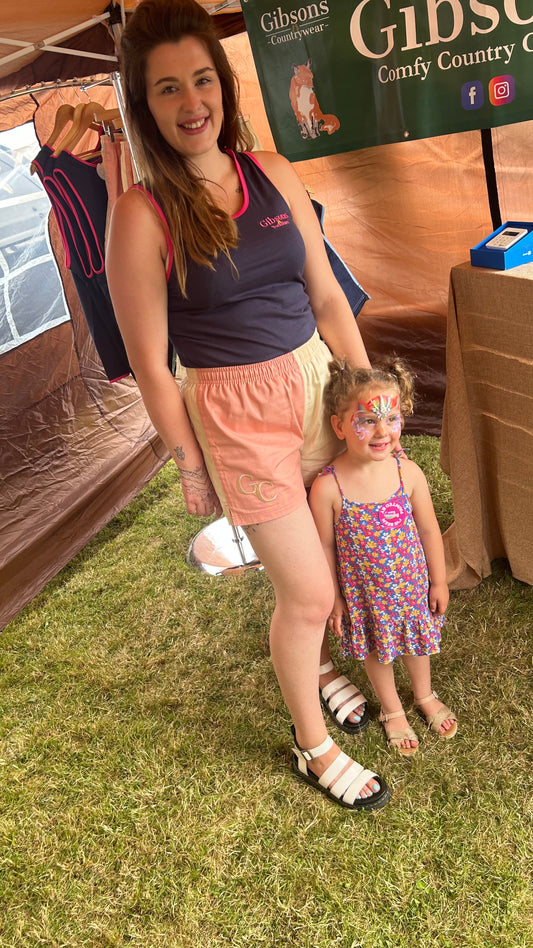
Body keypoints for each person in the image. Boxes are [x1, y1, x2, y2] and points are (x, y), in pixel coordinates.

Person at [106, 0, 390, 810]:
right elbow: (151, 365)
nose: (191, 102)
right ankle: (311, 745)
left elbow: (327, 297)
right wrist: (191, 462)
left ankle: (323, 667)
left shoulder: (271, 171)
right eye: (166, 89)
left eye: (201, 80)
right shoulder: (139, 212)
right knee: (308, 592)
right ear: (143, 104)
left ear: (223, 87)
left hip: (314, 385)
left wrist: (367, 398)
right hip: (232, 413)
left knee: (328, 560)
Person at [309, 357, 457, 756]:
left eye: (392, 418)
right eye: (368, 420)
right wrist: (335, 598)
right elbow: (323, 547)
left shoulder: (407, 472)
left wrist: (439, 580)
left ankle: (424, 695)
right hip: (366, 596)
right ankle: (392, 710)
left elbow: (429, 530)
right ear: (340, 426)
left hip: (410, 588)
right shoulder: (328, 488)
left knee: (417, 643)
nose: (382, 431)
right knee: (377, 651)